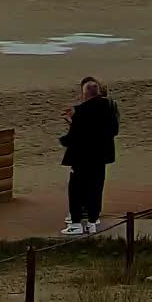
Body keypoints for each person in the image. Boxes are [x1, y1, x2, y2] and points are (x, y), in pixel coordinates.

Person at [59, 76, 119, 234]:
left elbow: (75, 137)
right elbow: (113, 131)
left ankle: (76, 224)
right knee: (96, 187)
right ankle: (92, 222)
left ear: (85, 94)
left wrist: (65, 136)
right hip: (101, 156)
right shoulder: (109, 108)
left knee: (76, 188)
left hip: (82, 157)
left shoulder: (82, 111)